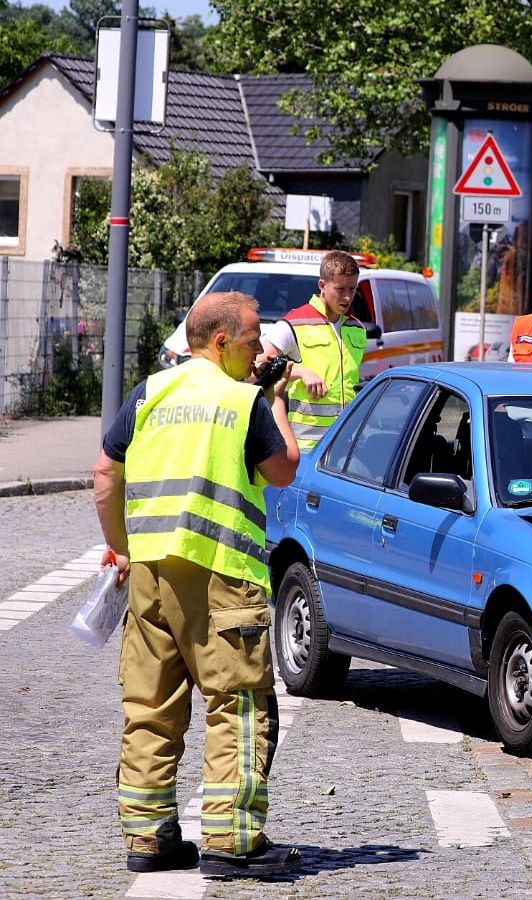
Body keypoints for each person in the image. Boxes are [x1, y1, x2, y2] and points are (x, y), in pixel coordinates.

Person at [92, 291, 303, 878]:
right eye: (251, 339)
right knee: (236, 704)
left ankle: (148, 839)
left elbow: (105, 473)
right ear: (220, 342)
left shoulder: (149, 392)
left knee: (149, 705)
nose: (258, 350)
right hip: (220, 577)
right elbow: (284, 469)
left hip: (151, 574)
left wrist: (122, 548)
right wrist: (277, 401)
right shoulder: (243, 402)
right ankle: (232, 841)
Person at [259, 250, 366, 449]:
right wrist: (300, 372)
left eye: (352, 289)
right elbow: (258, 367)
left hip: (347, 443)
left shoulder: (356, 328)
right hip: (306, 445)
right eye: (340, 289)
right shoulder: (295, 323)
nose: (347, 296)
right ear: (322, 286)